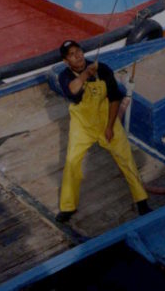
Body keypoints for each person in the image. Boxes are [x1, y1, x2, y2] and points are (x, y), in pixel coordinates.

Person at [55, 40, 151, 222]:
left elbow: (115, 98)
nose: (78, 56)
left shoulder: (103, 69)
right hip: (82, 126)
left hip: (108, 120)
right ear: (66, 61)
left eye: (79, 51)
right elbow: (73, 91)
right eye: (72, 54)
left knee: (126, 159)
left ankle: (142, 201)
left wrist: (109, 127)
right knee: (71, 163)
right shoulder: (65, 76)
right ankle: (68, 207)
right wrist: (85, 75)